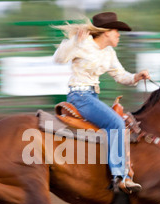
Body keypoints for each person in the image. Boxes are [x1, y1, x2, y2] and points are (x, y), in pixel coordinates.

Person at [53, 12, 151, 194]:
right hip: (79, 96)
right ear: (106, 32)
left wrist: (137, 76)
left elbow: (121, 76)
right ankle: (120, 176)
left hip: (91, 97)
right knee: (115, 122)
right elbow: (58, 59)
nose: (119, 35)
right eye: (116, 31)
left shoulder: (109, 53)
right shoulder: (81, 43)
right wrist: (74, 42)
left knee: (122, 121)